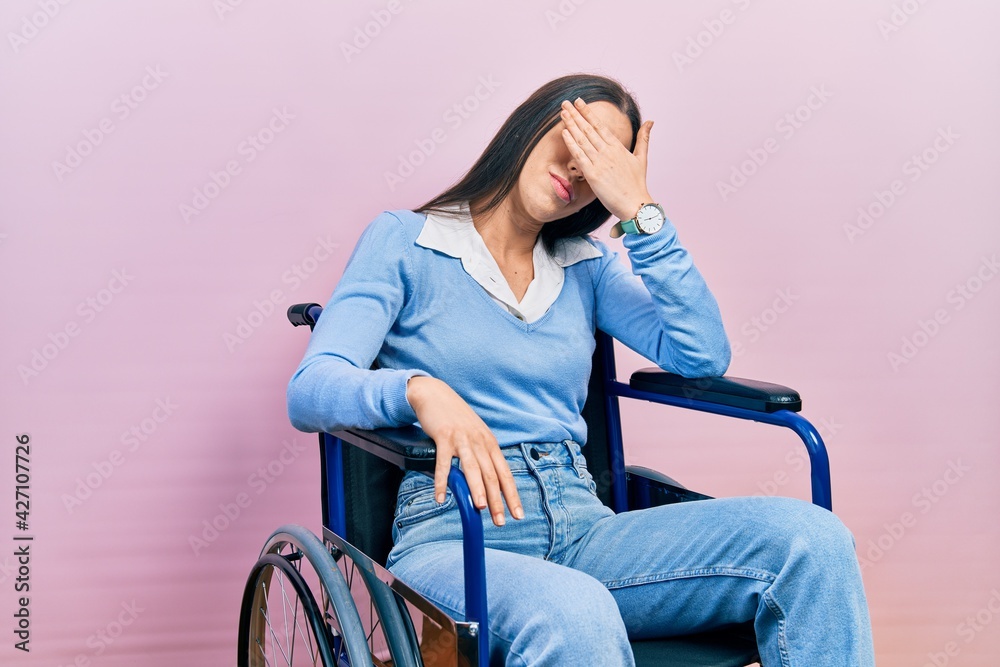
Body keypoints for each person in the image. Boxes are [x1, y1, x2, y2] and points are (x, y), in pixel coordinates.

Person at [287, 73, 876, 666]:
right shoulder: (405, 242)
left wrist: (641, 213)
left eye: (603, 162)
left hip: (584, 527)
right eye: (579, 137)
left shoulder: (587, 266)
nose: (579, 167)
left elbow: (701, 355)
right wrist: (416, 390)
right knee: (576, 609)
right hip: (456, 533)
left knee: (814, 542)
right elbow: (310, 390)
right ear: (531, 124)